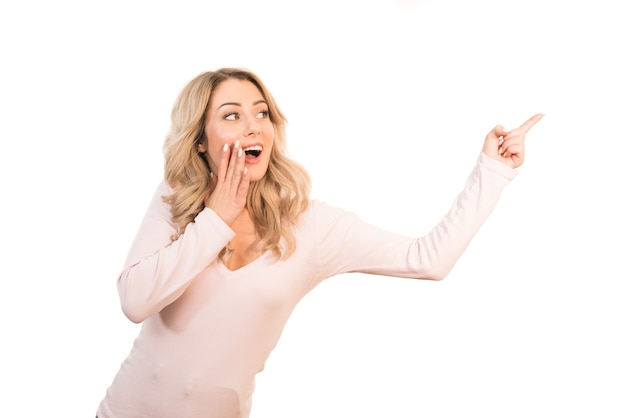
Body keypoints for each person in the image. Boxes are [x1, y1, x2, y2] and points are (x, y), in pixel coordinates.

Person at [95, 67, 543, 418]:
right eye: (231, 115)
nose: (253, 126)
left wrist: (493, 170)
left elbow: (428, 259)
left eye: (261, 112)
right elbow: (135, 302)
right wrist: (216, 218)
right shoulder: (175, 199)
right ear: (198, 141)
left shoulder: (311, 226)